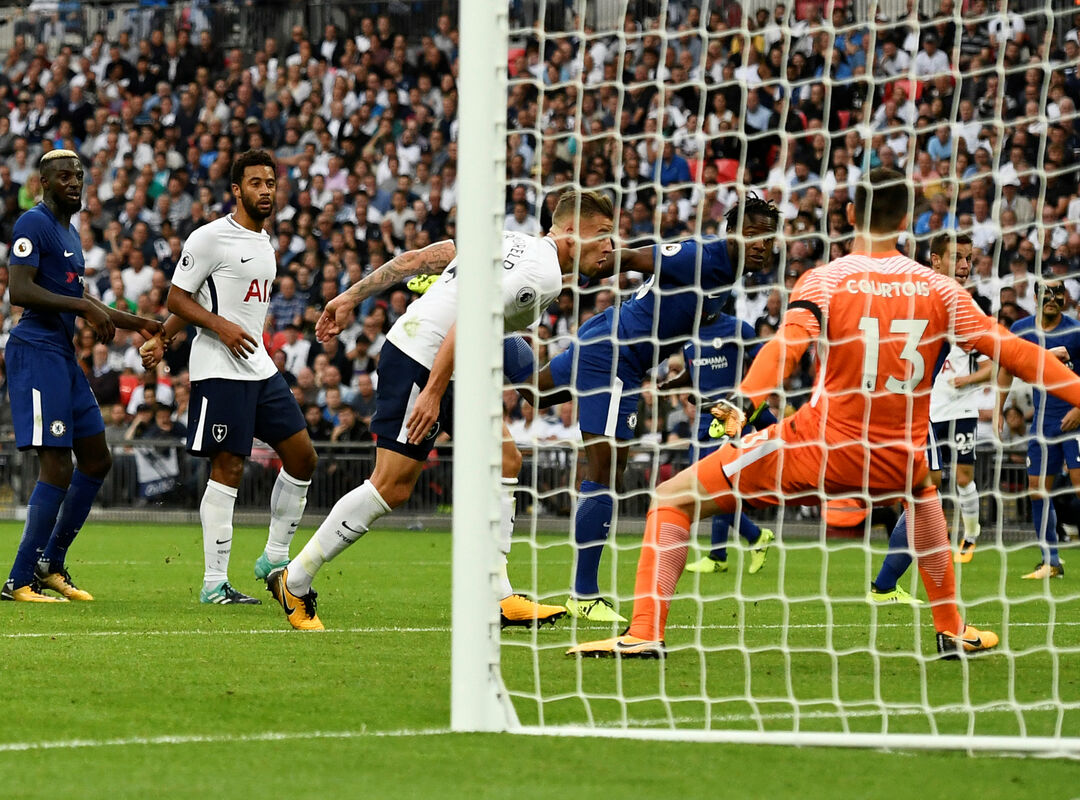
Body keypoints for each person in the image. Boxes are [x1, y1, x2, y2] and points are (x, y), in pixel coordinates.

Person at [567, 167, 1080, 659]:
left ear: (850, 215)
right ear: (906, 221)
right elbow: (1017, 353)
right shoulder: (941, 290)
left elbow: (787, 347)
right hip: (897, 457)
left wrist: (746, 400)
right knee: (924, 494)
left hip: (817, 447)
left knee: (672, 499)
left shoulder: (825, 280)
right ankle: (952, 628)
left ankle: (644, 633)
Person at [266, 190, 615, 630]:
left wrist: (350, 296)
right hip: (421, 357)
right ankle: (295, 580)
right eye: (602, 234)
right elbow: (469, 318)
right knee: (391, 486)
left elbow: (419, 260)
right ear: (570, 231)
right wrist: (431, 392)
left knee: (505, 459)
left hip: (448, 364)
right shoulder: (542, 276)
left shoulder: (508, 239)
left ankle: (499, 596)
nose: (610, 246)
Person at [534, 197, 780, 622]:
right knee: (606, 472)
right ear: (732, 233)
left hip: (608, 340)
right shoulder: (700, 256)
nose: (760, 245)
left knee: (533, 392)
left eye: (767, 238)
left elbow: (678, 318)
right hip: (616, 357)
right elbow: (629, 257)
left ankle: (475, 355)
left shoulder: (727, 276)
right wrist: (571, 267)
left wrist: (682, 380)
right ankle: (584, 594)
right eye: (751, 235)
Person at [144, 149, 318, 604]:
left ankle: (273, 558)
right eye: (256, 183)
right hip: (219, 370)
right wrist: (212, 328)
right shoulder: (209, 237)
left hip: (259, 366)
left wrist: (163, 337)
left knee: (303, 458)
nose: (265, 191)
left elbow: (199, 300)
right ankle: (214, 583)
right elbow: (178, 297)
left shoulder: (265, 243)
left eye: (270, 183)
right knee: (229, 468)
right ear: (237, 190)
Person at [2, 149, 162, 602]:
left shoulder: (70, 233)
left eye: (78, 176)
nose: (74, 182)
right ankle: (19, 579)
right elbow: (20, 290)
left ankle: (50, 562)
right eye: (64, 176)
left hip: (62, 355)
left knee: (96, 459)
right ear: (44, 183)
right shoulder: (32, 223)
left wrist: (140, 323)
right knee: (56, 465)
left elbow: (83, 299)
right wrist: (84, 307)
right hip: (36, 352)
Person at [869, 232, 991, 606]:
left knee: (925, 492)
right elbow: (1000, 347)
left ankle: (887, 584)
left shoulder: (909, 291)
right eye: (957, 257)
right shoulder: (947, 300)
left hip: (889, 406)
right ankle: (886, 586)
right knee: (925, 495)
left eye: (969, 259)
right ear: (935, 260)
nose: (965, 266)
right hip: (910, 411)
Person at [995, 277, 1080, 581]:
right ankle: (1051, 561)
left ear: (1065, 298)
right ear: (1036, 298)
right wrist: (998, 409)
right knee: (1037, 490)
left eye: (1058, 293)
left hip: (1076, 422)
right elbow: (1006, 369)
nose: (1051, 298)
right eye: (1046, 293)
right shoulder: (1021, 330)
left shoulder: (1077, 332)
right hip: (1042, 424)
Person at [656, 310, 777, 575]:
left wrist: (746, 393)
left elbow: (764, 361)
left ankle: (725, 551)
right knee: (704, 488)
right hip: (703, 419)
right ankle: (748, 540)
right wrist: (671, 385)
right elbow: (693, 372)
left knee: (713, 484)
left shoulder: (737, 328)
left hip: (728, 415)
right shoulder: (689, 333)